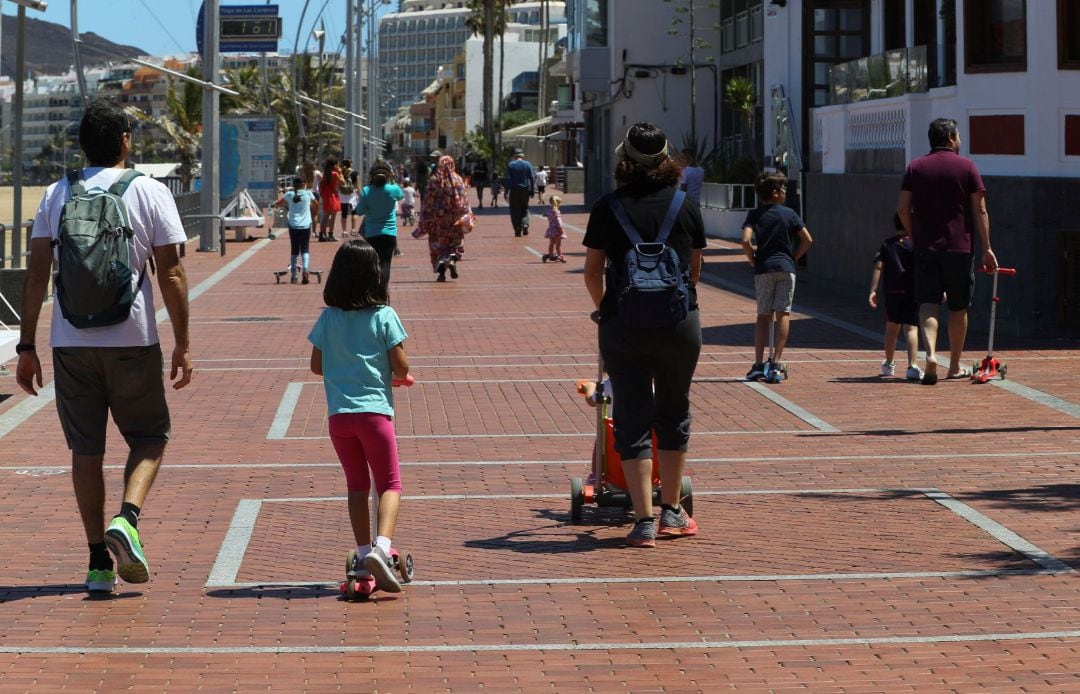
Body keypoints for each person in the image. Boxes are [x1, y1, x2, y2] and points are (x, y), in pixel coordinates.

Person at [14, 95, 193, 593]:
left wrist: (26, 347)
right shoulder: (149, 191)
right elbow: (173, 271)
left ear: (82, 146)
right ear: (125, 142)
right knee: (150, 436)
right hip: (132, 337)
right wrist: (182, 342)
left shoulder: (55, 194)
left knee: (85, 452)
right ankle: (128, 518)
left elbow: (35, 276)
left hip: (69, 342)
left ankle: (97, 565)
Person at [582, 122, 705, 548]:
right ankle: (673, 510)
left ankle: (643, 521)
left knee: (632, 415)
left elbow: (593, 272)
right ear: (666, 159)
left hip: (624, 324)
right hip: (678, 323)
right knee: (674, 411)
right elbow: (694, 272)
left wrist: (607, 309)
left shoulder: (608, 207)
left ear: (624, 160)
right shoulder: (684, 205)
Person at [307, 240, 410, 593]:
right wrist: (395, 374)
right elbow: (401, 364)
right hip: (375, 414)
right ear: (375, 277)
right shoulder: (384, 316)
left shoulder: (328, 318)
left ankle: (363, 555)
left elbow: (316, 366)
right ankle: (382, 548)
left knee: (356, 485)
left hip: (339, 418)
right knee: (390, 484)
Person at [897, 118, 998, 385]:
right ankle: (953, 365)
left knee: (928, 303)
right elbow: (980, 210)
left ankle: (930, 354)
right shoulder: (967, 167)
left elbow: (902, 208)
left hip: (926, 247)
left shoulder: (915, 167)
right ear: (952, 138)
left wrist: (915, 234)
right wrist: (987, 248)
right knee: (958, 307)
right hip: (960, 247)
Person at [741, 171, 813, 381]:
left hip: (763, 268)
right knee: (783, 313)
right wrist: (794, 257)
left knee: (763, 315)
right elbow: (807, 239)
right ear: (775, 192)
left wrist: (752, 258)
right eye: (782, 189)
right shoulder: (789, 213)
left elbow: (745, 240)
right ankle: (776, 364)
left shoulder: (754, 214)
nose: (784, 192)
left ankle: (757, 363)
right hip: (785, 267)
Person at [869, 213, 923, 381]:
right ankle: (912, 366)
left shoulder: (887, 244)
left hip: (892, 291)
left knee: (891, 328)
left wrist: (873, 290)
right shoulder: (916, 244)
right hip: (912, 291)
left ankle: (889, 364)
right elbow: (924, 268)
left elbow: (878, 267)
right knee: (911, 328)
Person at [413, 155, 474, 282]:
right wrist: (465, 215)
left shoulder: (433, 180)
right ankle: (452, 259)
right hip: (453, 219)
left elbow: (427, 202)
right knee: (456, 242)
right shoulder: (458, 179)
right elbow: (463, 200)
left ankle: (441, 273)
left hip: (437, 220)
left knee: (438, 245)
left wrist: (426, 217)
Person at [355, 159, 405, 299]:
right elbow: (400, 195)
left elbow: (359, 212)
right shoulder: (393, 189)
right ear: (388, 175)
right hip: (389, 233)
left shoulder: (366, 191)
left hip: (371, 233)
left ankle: (373, 291)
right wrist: (393, 180)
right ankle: (383, 292)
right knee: (386, 263)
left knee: (373, 263)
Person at [274, 176, 319, 284]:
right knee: (305, 249)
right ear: (304, 184)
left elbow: (279, 203)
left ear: (294, 185)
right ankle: (305, 270)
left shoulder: (289, 194)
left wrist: (276, 205)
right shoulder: (308, 194)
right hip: (306, 226)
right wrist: (311, 207)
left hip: (293, 225)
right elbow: (316, 203)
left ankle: (294, 275)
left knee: (294, 250)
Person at [506, 149, 535, 236]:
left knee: (515, 210)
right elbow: (532, 178)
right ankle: (525, 224)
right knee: (525, 207)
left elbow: (508, 179)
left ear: (515, 156)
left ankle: (517, 228)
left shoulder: (511, 164)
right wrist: (532, 189)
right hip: (525, 189)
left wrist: (506, 191)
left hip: (514, 189)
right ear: (522, 156)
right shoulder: (527, 164)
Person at [318, 156, 343, 242]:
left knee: (325, 217)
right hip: (333, 196)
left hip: (326, 195)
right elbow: (342, 182)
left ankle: (321, 234)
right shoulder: (335, 174)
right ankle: (330, 235)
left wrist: (322, 194)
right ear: (335, 165)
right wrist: (340, 172)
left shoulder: (325, 173)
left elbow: (320, 184)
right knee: (333, 217)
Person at [543, 195, 567, 263]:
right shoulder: (556, 211)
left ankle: (550, 255)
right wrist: (561, 228)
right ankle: (559, 255)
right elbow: (558, 220)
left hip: (551, 229)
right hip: (557, 230)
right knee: (558, 245)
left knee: (551, 243)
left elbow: (546, 214)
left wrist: (545, 215)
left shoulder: (549, 210)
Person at [339, 161, 359, 237]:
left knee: (344, 213)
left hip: (342, 194)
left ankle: (344, 231)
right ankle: (353, 230)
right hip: (352, 194)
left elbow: (339, 183)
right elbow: (357, 185)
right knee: (354, 212)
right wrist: (359, 193)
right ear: (350, 164)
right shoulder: (355, 173)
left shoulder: (341, 172)